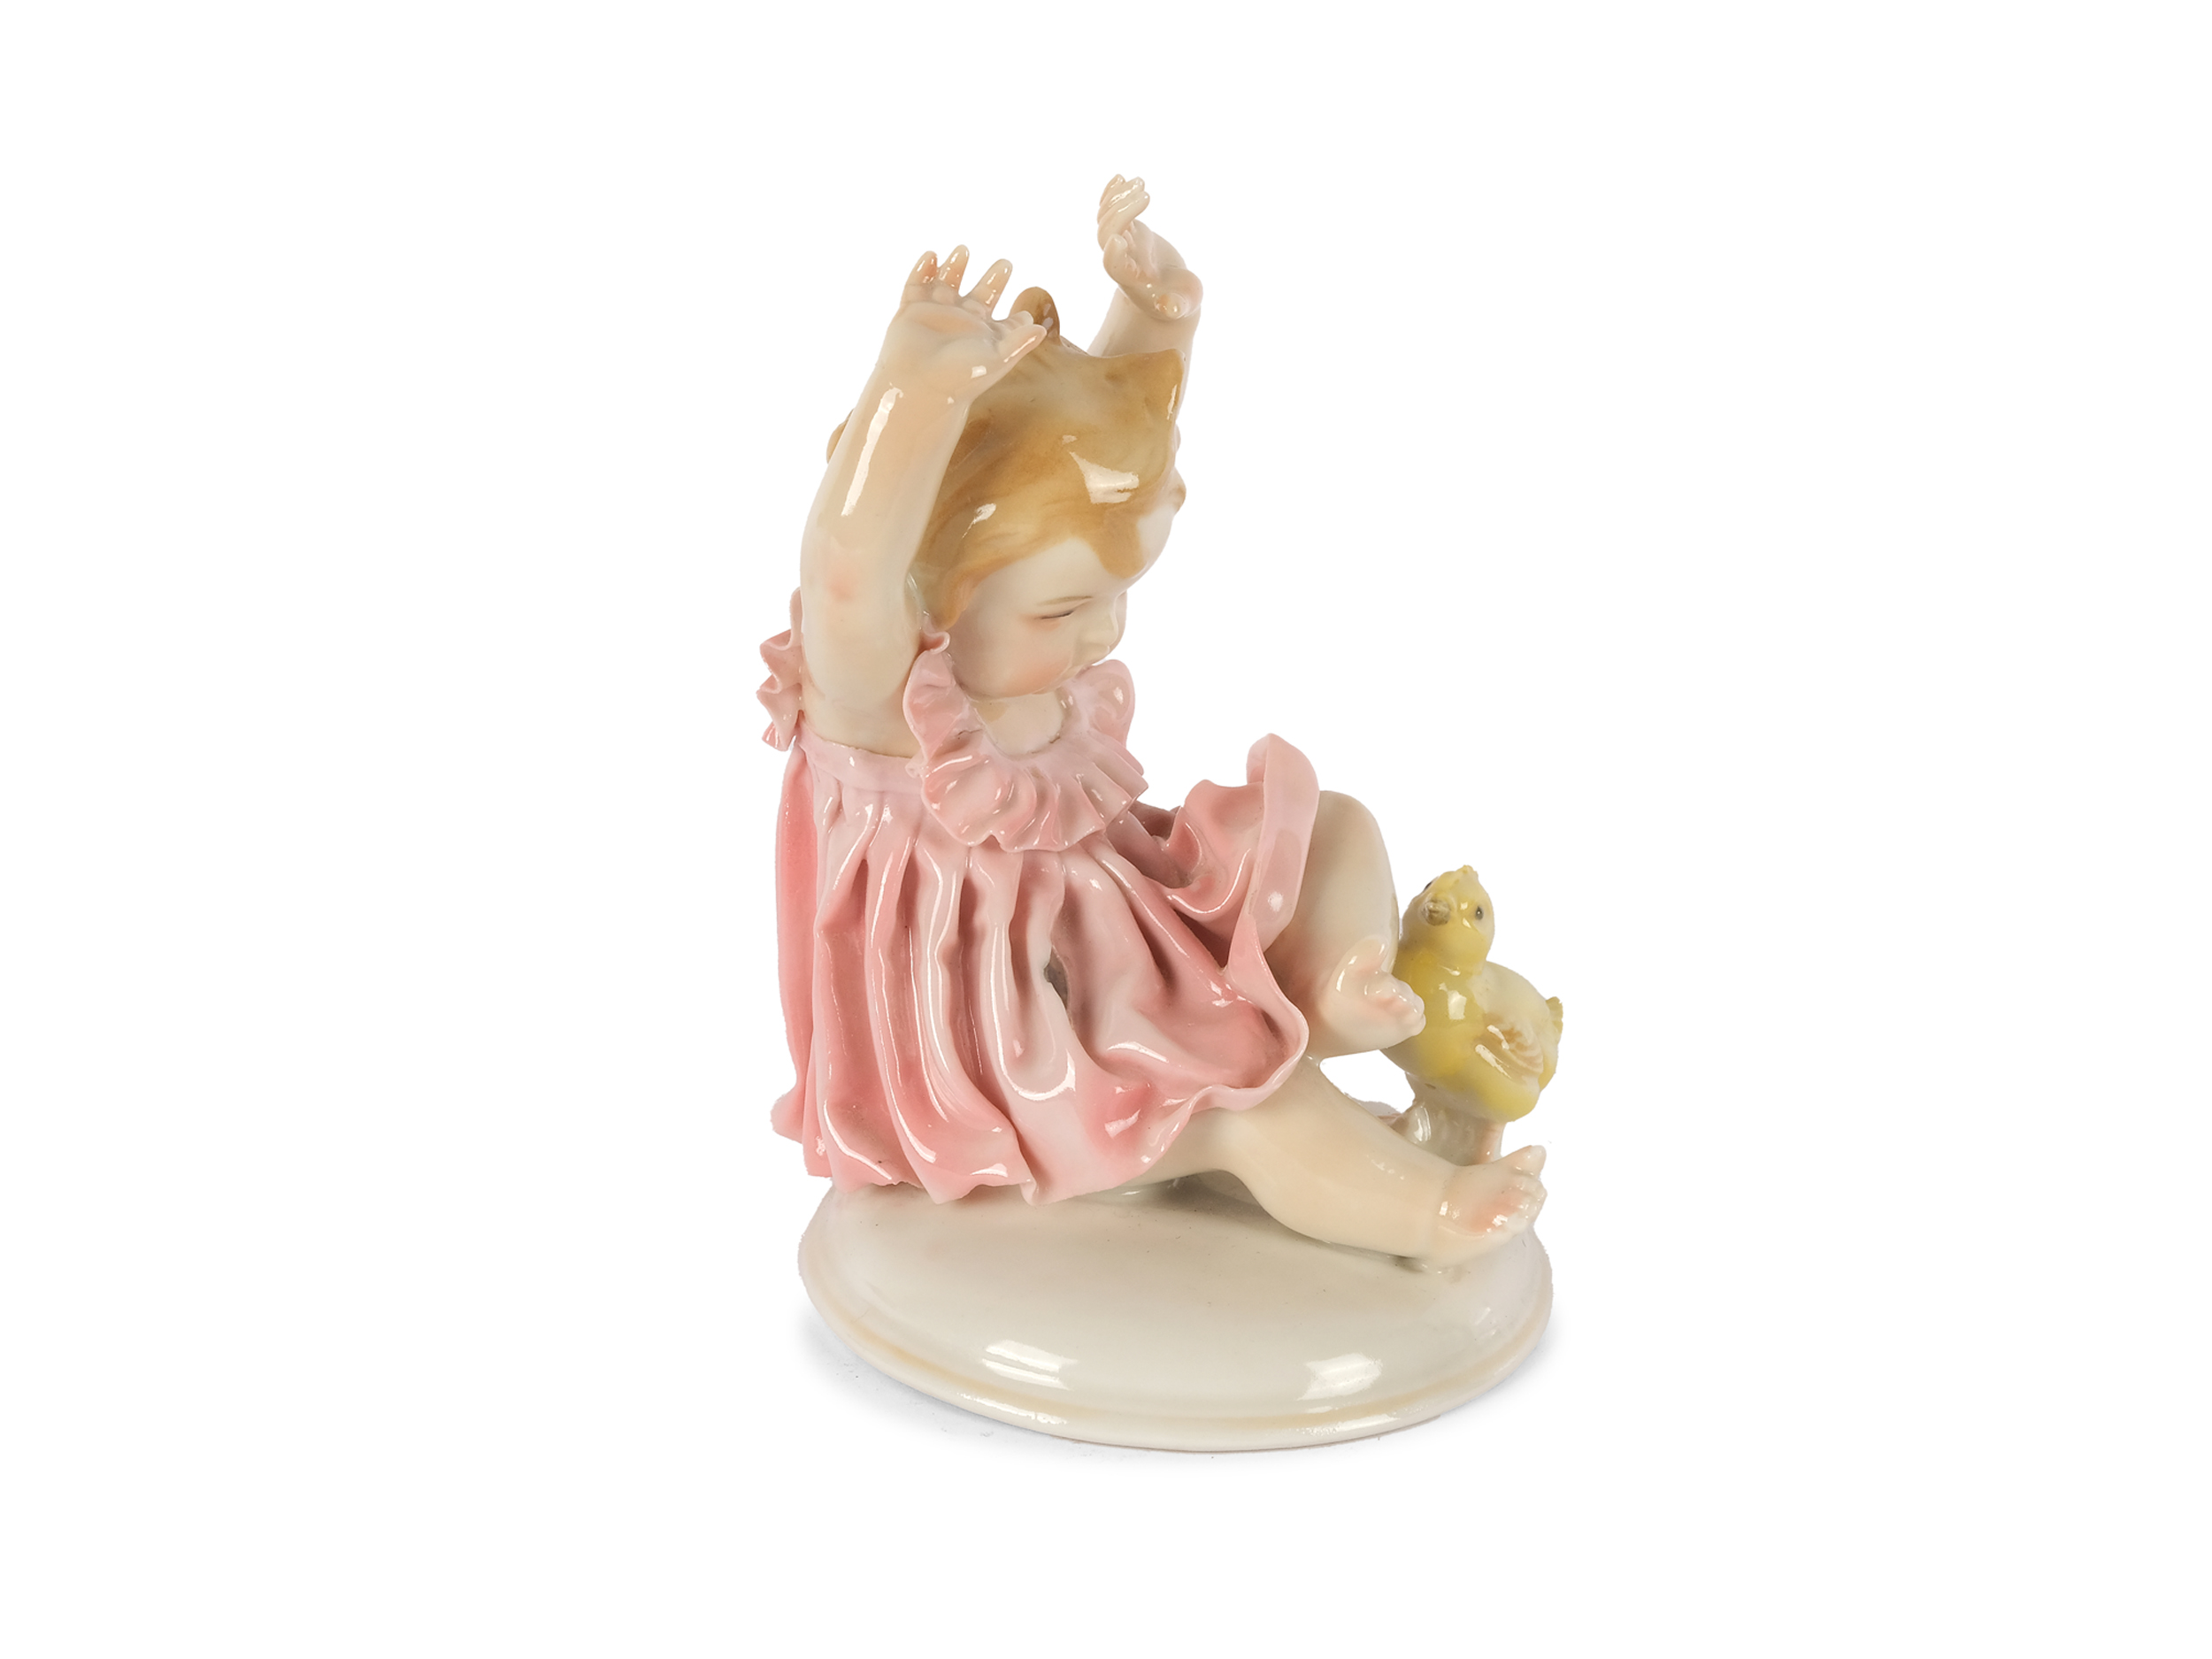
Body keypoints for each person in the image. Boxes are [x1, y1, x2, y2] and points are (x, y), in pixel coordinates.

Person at [760, 177, 1544, 1265]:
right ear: (928, 589)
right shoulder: (882, 701)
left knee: (1333, 825)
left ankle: (1340, 981)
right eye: (1063, 610)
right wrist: (911, 393)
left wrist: (1156, 318)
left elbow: (1095, 444)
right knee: (1247, 1111)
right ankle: (1432, 1216)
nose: (1100, 633)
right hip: (1016, 1045)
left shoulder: (1020, 671)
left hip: (1121, 935)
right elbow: (848, 565)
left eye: (1113, 598)